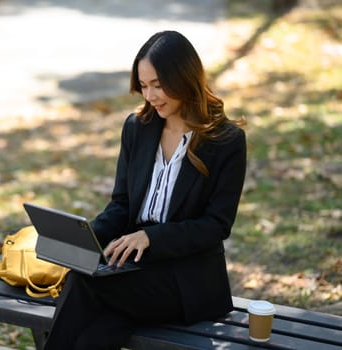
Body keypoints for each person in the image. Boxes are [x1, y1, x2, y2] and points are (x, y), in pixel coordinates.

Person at [43, 30, 247, 350]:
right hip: (134, 268)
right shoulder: (137, 128)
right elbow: (122, 204)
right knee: (100, 326)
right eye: (144, 86)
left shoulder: (226, 141)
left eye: (158, 85)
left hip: (187, 281)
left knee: (85, 285)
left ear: (183, 77)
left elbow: (216, 226)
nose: (149, 96)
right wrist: (87, 240)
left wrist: (152, 237)